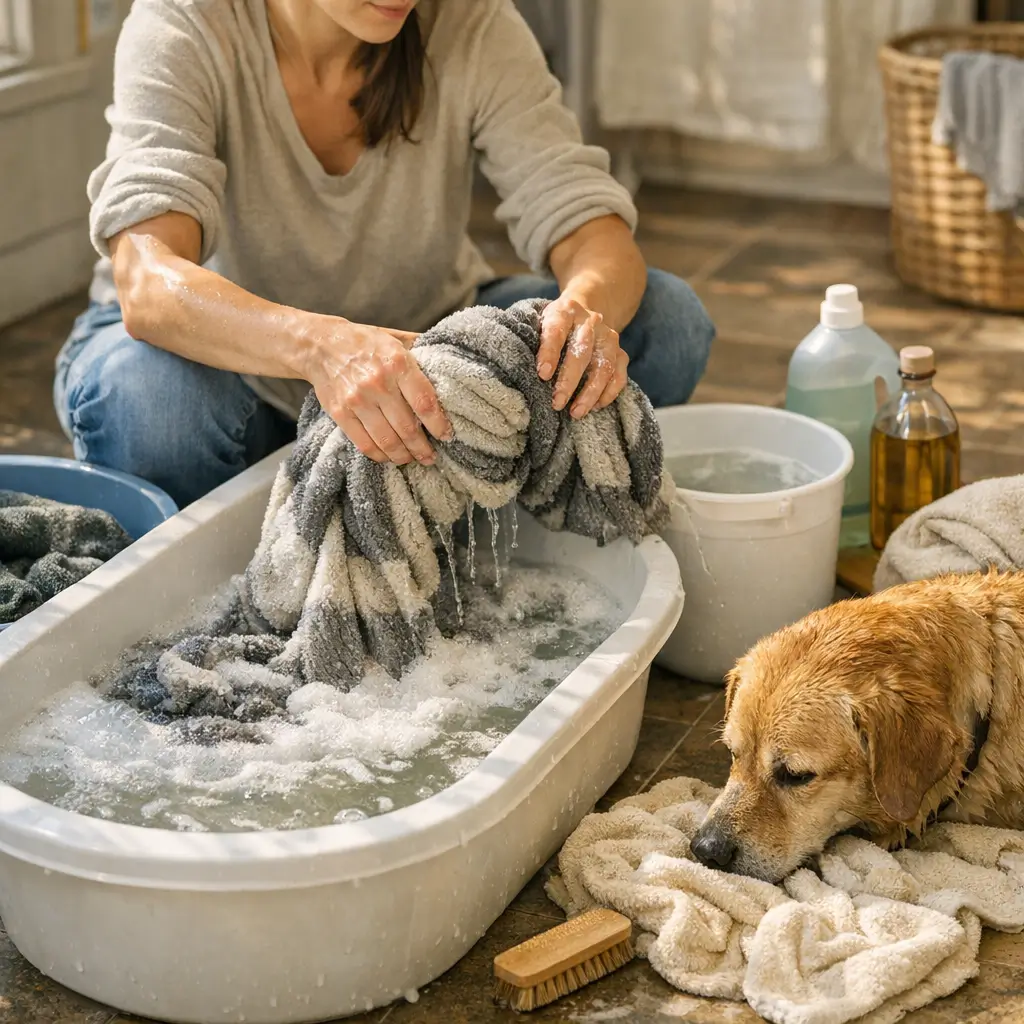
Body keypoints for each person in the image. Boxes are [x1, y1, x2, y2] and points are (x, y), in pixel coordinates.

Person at [55, 0, 715, 510]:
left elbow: (588, 227)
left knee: (666, 321)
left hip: (419, 356)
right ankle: (347, 494)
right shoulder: (185, 21)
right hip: (235, 374)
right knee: (151, 407)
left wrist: (583, 314)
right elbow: (148, 280)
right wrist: (324, 349)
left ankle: (397, 491)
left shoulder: (470, 23)